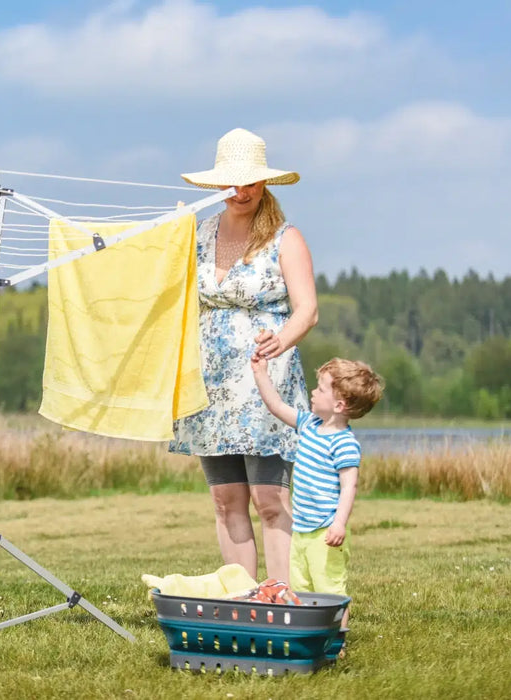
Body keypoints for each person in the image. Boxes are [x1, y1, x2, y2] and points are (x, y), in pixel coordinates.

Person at [170, 128, 319, 583]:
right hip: (210, 385)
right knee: (226, 500)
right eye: (233, 182)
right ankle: (242, 598)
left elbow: (307, 309)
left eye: (251, 182)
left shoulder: (283, 237)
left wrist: (283, 340)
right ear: (219, 185)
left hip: (263, 383)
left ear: (264, 184)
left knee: (269, 498)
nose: (242, 191)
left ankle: (282, 597)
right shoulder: (198, 234)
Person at [250, 355, 384, 633]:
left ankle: (336, 640)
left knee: (330, 591)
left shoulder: (345, 444)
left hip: (325, 534)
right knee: (302, 588)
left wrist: (339, 523)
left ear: (339, 405)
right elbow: (276, 406)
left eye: (320, 388)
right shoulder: (309, 425)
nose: (313, 392)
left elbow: (349, 487)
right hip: (301, 530)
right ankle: (308, 634)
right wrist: (261, 373)